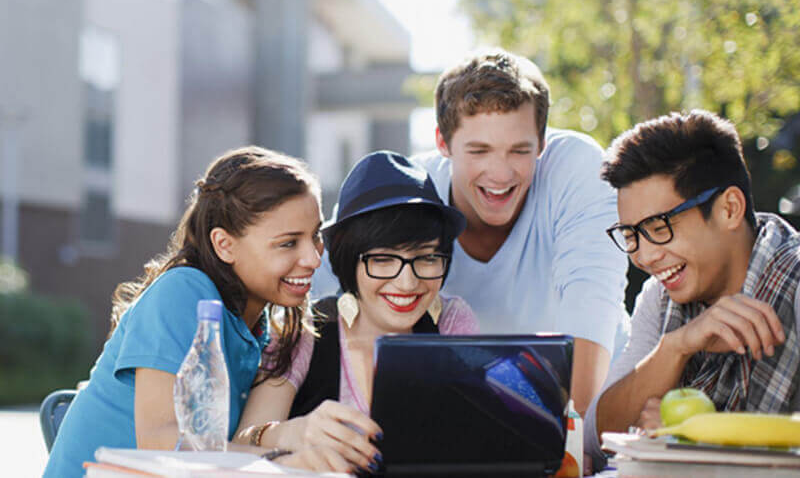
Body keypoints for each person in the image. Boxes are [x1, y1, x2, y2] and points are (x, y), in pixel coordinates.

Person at [316, 49, 630, 416]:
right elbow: (322, 284)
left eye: (519, 151)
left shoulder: (577, 168)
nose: (500, 174)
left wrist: (572, 442)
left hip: (597, 401)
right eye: (479, 151)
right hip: (470, 402)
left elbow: (592, 304)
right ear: (442, 143)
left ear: (542, 144)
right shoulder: (408, 191)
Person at [44, 147, 326, 477]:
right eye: (288, 243)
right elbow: (162, 445)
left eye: (316, 235)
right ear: (224, 245)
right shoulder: (185, 292)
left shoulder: (261, 329)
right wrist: (285, 460)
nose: (314, 258)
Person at [235, 151, 479, 474]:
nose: (407, 283)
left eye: (426, 258)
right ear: (349, 260)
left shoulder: (451, 323)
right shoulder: (307, 330)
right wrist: (289, 435)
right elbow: (241, 443)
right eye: (382, 260)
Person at [585, 110, 800, 468]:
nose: (644, 255)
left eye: (658, 226)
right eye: (630, 235)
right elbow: (597, 436)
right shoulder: (659, 297)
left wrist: (700, 436)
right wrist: (675, 347)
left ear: (729, 209)